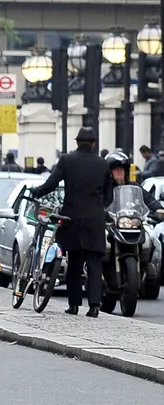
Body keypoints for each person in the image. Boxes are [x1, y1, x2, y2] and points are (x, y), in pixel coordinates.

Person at [29, 128, 112, 317]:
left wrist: (37, 192)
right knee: (94, 262)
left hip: (71, 217)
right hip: (94, 219)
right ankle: (94, 306)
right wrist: (98, 206)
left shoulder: (67, 160)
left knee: (74, 260)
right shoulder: (103, 164)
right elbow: (109, 195)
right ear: (93, 143)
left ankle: (74, 305)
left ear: (77, 142)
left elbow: (52, 183)